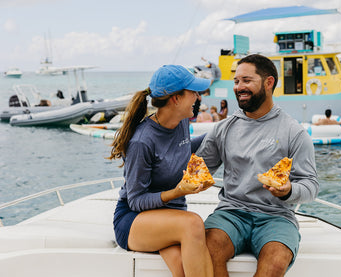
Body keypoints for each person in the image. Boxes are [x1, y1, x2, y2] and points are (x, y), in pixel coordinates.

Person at [196, 54, 319, 276]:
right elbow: (197, 173)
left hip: (277, 216)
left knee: (275, 263)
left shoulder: (294, 132)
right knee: (206, 249)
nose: (239, 87)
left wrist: (288, 190)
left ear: (269, 82)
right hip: (230, 213)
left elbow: (311, 186)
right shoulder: (222, 129)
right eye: (236, 81)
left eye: (246, 80)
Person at [108, 65, 213, 277]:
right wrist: (178, 192)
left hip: (170, 217)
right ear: (176, 99)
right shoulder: (141, 142)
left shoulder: (182, 121)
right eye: (193, 91)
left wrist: (221, 132)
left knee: (182, 267)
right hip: (134, 220)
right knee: (194, 224)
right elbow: (136, 201)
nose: (197, 96)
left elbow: (181, 151)